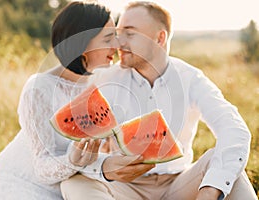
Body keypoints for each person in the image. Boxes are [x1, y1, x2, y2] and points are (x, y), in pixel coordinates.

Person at [60, 1, 258, 200]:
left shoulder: (190, 78)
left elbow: (233, 128)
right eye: (118, 34)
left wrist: (209, 190)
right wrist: (103, 166)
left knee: (228, 169)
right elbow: (73, 146)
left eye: (129, 33)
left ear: (160, 37)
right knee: (74, 183)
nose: (119, 43)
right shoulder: (104, 79)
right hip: (124, 188)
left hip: (178, 185)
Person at [0, 2, 118, 199]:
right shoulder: (39, 89)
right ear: (83, 43)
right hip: (21, 185)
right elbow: (42, 167)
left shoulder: (103, 82)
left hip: (72, 187)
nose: (117, 45)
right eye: (108, 39)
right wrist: (73, 161)